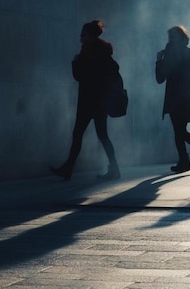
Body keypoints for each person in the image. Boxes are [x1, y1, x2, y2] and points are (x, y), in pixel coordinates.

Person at [50, 20, 120, 181]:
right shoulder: (102, 50)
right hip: (99, 101)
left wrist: (75, 62)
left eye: (84, 33)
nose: (81, 36)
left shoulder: (89, 52)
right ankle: (113, 169)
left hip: (90, 101)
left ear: (91, 35)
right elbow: (112, 69)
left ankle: (68, 169)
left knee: (80, 134)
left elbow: (80, 76)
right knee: (101, 135)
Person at [156, 25, 190, 173]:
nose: (171, 40)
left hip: (178, 99)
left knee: (179, 131)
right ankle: (189, 158)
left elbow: (160, 78)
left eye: (173, 37)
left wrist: (159, 61)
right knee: (180, 131)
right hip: (188, 98)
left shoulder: (171, 55)